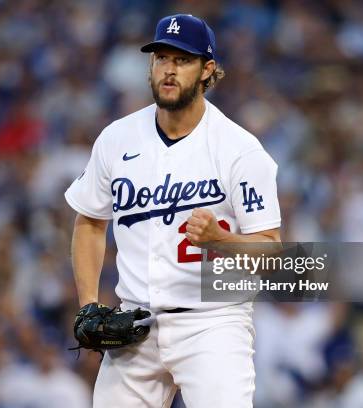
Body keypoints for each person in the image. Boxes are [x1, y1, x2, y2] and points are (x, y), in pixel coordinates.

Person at [64, 14, 281, 407]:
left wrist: (221, 239)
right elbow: (90, 222)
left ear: (207, 70)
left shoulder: (240, 150)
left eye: (182, 60)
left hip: (212, 322)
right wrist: (88, 304)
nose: (168, 69)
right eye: (161, 57)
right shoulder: (117, 138)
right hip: (134, 324)